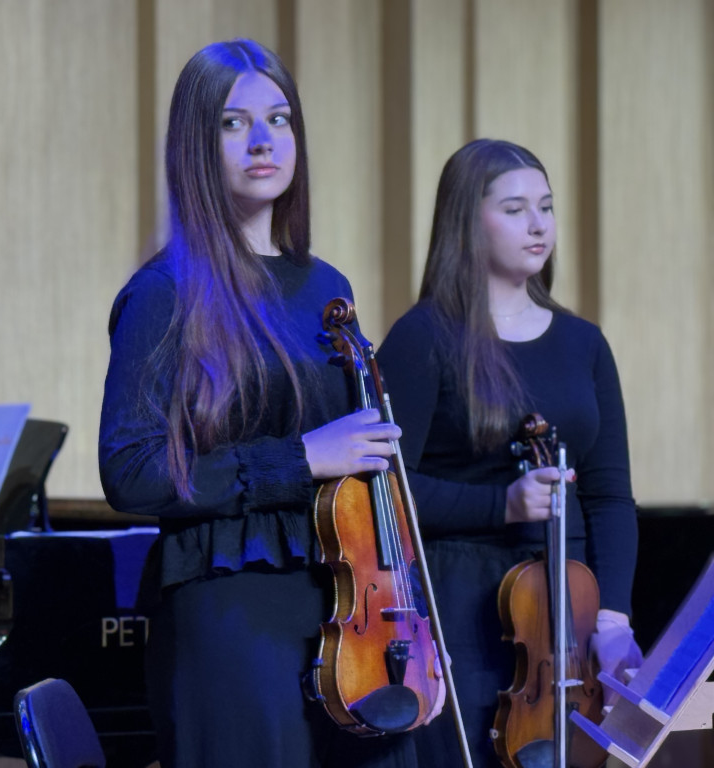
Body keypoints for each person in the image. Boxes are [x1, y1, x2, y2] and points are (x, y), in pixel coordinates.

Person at [99, 39, 429, 768]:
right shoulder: (164, 294)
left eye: (279, 119)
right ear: (196, 142)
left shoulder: (325, 286)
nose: (261, 140)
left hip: (349, 603)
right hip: (230, 608)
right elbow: (129, 471)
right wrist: (302, 458)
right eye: (232, 123)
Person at [376, 138, 642, 767]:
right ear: (468, 223)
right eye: (516, 208)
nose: (538, 224)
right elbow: (383, 493)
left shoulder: (584, 344)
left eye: (546, 207)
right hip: (460, 604)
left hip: (564, 612)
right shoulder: (423, 339)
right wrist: (501, 504)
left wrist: (613, 617)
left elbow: (607, 494)